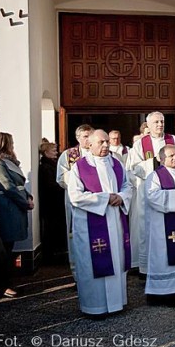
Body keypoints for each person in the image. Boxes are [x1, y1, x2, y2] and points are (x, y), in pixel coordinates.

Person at [68, 129, 133, 317]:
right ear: (89, 144)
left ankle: (116, 303)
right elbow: (75, 196)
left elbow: (127, 186)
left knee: (116, 259)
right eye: (101, 142)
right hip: (91, 225)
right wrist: (105, 198)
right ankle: (94, 306)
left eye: (107, 142)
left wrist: (121, 197)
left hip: (115, 222)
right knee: (92, 263)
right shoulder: (80, 167)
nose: (105, 145)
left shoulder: (117, 164)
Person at [126, 111, 175, 275]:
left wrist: (170, 164)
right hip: (151, 189)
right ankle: (146, 267)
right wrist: (154, 164)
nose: (160, 125)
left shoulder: (174, 140)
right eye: (156, 122)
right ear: (148, 125)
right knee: (147, 228)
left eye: (162, 121)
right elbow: (133, 167)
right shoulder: (141, 144)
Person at [0, 133, 34, 298]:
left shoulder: (6, 161)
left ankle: (5, 281)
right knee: (2, 249)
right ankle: (2, 284)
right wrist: (25, 202)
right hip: (5, 208)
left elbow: (18, 184)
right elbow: (7, 185)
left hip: (12, 206)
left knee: (8, 247)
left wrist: (28, 196)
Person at [143, 145, 175, 304]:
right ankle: (160, 294)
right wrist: (174, 194)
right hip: (162, 227)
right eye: (171, 156)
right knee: (162, 257)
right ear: (161, 159)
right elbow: (151, 196)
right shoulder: (155, 176)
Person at [57, 123, 94, 280]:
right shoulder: (68, 155)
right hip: (76, 201)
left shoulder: (99, 153)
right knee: (75, 236)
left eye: (90, 136)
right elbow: (60, 178)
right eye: (85, 137)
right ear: (78, 138)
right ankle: (77, 275)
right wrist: (79, 179)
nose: (88, 140)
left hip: (95, 201)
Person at [38, 142, 67, 263]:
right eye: (53, 151)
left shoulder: (51, 164)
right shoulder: (45, 167)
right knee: (52, 229)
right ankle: (52, 256)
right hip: (51, 203)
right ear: (46, 153)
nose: (56, 153)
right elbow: (51, 185)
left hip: (55, 202)